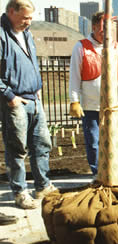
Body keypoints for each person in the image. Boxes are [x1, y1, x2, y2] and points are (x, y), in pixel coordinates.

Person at [0, 0, 57, 209]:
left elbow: (32, 62)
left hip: (34, 98)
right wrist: (9, 95)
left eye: (31, 17)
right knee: (17, 149)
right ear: (11, 12)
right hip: (14, 101)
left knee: (42, 144)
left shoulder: (26, 33)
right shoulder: (1, 35)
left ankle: (43, 185)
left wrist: (38, 85)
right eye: (25, 17)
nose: (29, 22)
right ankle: (20, 192)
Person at [69, 11, 118, 178]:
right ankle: (98, 173)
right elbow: (74, 76)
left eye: (110, 29)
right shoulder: (81, 47)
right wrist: (74, 101)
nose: (107, 33)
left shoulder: (116, 47)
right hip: (90, 106)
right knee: (94, 142)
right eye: (103, 29)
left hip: (112, 106)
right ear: (94, 27)